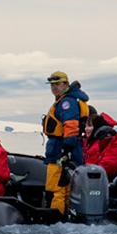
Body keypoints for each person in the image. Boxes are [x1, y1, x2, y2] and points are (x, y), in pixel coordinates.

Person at [40, 71, 94, 212]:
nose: (54, 88)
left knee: (55, 190)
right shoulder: (68, 100)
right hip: (69, 151)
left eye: (58, 84)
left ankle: (55, 220)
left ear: (66, 84)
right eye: (52, 85)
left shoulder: (66, 102)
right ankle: (66, 218)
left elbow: (71, 126)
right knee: (66, 189)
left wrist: (65, 151)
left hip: (60, 150)